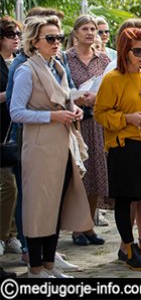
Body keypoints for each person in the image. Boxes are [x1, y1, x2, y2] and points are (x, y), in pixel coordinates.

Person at [10, 16, 91, 278]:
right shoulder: (26, 70)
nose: (56, 43)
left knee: (57, 205)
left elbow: (64, 100)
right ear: (34, 42)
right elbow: (16, 112)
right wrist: (52, 117)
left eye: (58, 37)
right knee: (38, 207)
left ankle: (49, 264)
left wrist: (73, 109)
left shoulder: (57, 67)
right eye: (50, 38)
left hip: (63, 145)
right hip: (39, 147)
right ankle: (35, 268)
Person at [94, 27, 141, 271]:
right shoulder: (112, 78)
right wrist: (127, 118)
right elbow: (100, 114)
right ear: (125, 51)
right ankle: (128, 246)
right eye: (138, 51)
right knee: (125, 198)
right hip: (123, 146)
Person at [65, 14, 110, 247]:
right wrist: (76, 99)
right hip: (76, 121)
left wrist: (97, 96)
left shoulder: (103, 59)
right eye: (85, 28)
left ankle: (89, 226)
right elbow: (62, 88)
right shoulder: (66, 58)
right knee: (79, 175)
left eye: (93, 28)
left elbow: (110, 87)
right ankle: (76, 227)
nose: (91, 32)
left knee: (95, 173)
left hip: (98, 122)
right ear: (75, 32)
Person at [0, 16, 22, 257]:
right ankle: (3, 235)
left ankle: (12, 235)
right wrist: (9, 94)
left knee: (17, 186)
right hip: (1, 131)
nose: (16, 38)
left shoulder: (19, 62)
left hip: (17, 133)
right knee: (9, 186)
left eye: (18, 34)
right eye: (10, 35)